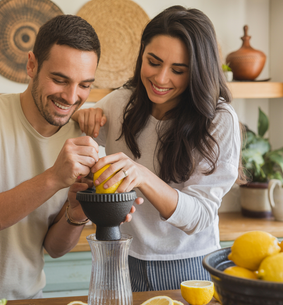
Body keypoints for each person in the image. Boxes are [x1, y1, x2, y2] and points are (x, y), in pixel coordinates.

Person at [0, 15, 140, 300]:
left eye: (84, 85)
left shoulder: (80, 138)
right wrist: (54, 178)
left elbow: (54, 249)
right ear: (32, 65)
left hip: (30, 298)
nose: (71, 96)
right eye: (59, 79)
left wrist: (75, 213)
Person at [72, 5, 245, 291]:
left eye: (178, 70)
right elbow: (79, 133)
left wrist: (141, 175)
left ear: (199, 72)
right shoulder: (122, 102)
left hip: (189, 264)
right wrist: (81, 115)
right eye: (153, 62)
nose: (161, 79)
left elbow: (200, 216)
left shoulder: (218, 119)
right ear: (141, 54)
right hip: (123, 257)